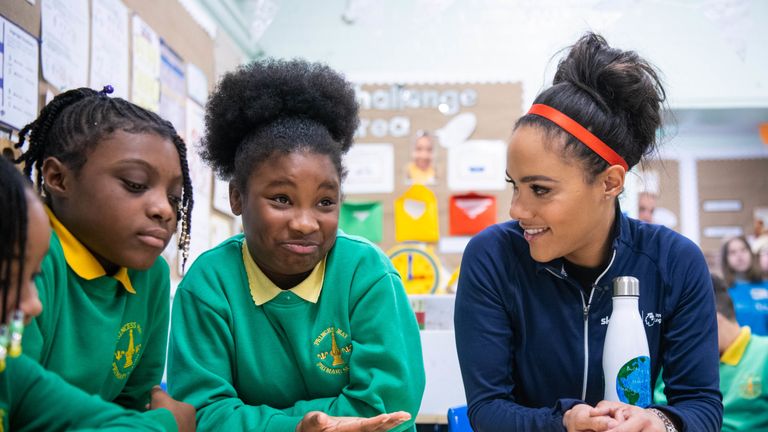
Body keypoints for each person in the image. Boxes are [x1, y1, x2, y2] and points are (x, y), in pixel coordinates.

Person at [454, 33, 721, 432]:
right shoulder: (493, 258)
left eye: (540, 189)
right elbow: (488, 408)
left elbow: (701, 406)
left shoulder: (674, 262)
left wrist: (658, 423)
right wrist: (563, 423)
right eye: (515, 185)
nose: (517, 209)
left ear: (610, 183)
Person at [167, 59, 425, 431]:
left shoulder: (367, 274)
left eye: (325, 202)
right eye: (282, 200)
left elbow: (389, 410)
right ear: (237, 197)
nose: (305, 223)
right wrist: (299, 427)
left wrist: (268, 422)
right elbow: (202, 414)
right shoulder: (209, 285)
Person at [13, 86, 196, 430]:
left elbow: (132, 405)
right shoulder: (31, 255)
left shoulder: (151, 275)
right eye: (135, 184)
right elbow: (21, 412)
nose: (164, 210)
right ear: (58, 178)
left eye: (174, 197)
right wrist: (165, 425)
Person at [654, 274, 768, 432]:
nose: (682, 335)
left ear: (712, 320)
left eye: (688, 326)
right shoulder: (674, 358)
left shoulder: (764, 355)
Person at [720, 236, 768, 335]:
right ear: (725, 259)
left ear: (751, 253)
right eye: (732, 252)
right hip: (738, 349)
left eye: (743, 250)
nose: (739, 255)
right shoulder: (723, 291)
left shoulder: (765, 286)